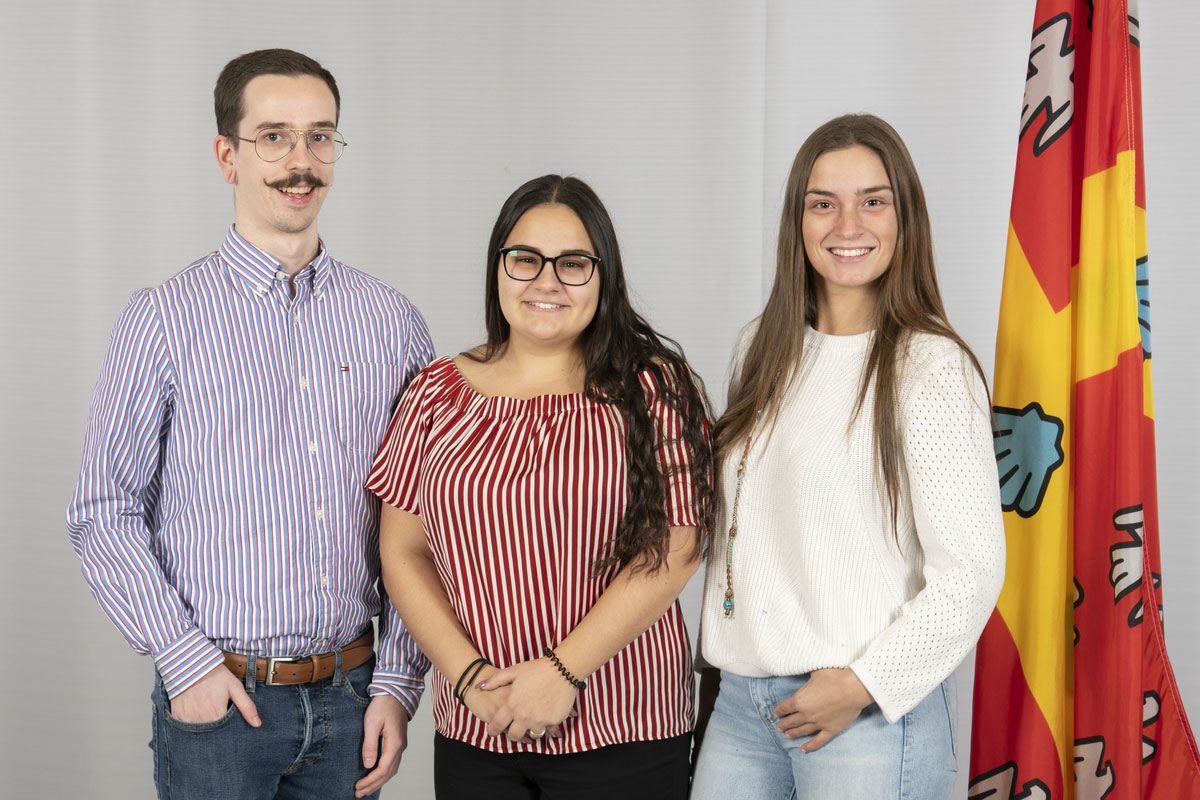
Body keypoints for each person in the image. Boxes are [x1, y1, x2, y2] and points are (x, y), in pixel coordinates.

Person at [66, 49, 431, 800]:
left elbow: (422, 515)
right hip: (220, 706)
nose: (301, 161)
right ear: (227, 156)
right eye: (274, 137)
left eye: (320, 136)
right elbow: (102, 509)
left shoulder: (391, 322)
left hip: (351, 700)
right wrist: (184, 662)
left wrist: (395, 682)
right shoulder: (164, 319)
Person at [366, 175, 714, 800]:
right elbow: (402, 551)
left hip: (626, 727)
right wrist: (469, 678)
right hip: (479, 731)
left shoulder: (655, 386)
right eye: (525, 259)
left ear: (603, 275)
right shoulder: (435, 394)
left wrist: (563, 674)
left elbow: (678, 547)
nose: (546, 281)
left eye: (573, 263)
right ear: (497, 267)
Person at [690, 114, 1006, 799]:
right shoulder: (761, 349)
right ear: (797, 221)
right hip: (743, 708)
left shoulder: (930, 367)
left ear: (904, 217)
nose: (847, 225)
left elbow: (973, 573)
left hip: (861, 717)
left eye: (873, 200)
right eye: (822, 203)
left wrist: (863, 684)